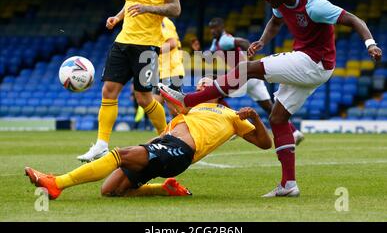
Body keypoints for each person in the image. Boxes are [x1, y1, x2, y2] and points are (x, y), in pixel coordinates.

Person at [159, 0, 383, 197]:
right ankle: (289, 185)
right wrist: (262, 41)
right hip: (311, 64)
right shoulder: (281, 1)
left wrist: (371, 44)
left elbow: (355, 20)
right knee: (277, 117)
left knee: (246, 68)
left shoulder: (315, 5)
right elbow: (275, 23)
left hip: (314, 62)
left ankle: (188, 99)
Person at [24, 77, 272, 199]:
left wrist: (256, 118)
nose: (199, 88)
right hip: (163, 146)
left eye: (205, 86)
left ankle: (57, 183)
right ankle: (164, 188)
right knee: (110, 191)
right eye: (198, 86)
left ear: (216, 93)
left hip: (180, 151)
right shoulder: (189, 110)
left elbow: (265, 144)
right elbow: (168, 116)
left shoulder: (231, 115)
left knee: (120, 155)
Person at [77, 0, 181, 162]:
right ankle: (101, 145)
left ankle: (166, 139)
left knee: (144, 97)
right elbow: (129, 1)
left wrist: (146, 7)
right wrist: (118, 16)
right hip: (122, 42)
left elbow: (175, 8)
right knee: (108, 91)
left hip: (147, 47)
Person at [207, 17, 304, 145]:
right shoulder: (217, 41)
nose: (213, 31)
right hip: (252, 78)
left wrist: (249, 53)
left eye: (215, 28)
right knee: (270, 108)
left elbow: (244, 42)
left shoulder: (225, 40)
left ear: (221, 27)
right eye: (211, 29)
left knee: (216, 96)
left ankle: (235, 127)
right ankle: (295, 133)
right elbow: (209, 56)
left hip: (243, 76)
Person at [153, 17, 185, 117]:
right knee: (155, 106)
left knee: (175, 110)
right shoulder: (156, 23)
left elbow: (172, 43)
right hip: (163, 72)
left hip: (173, 71)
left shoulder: (163, 21)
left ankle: (181, 129)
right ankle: (164, 130)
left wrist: (153, 50)